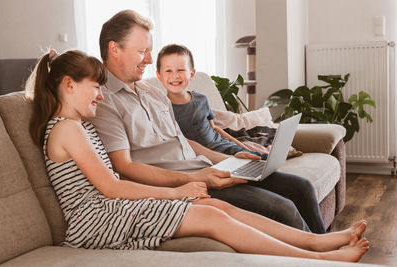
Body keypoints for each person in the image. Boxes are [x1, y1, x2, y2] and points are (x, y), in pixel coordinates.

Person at [27, 49, 369, 262]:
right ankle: (320, 257)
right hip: (95, 221)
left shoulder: (78, 126)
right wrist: (176, 192)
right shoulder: (66, 129)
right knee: (213, 217)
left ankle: (317, 241)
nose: (100, 95)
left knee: (215, 205)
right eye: (95, 87)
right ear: (69, 85)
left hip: (109, 211)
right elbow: (112, 187)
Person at [87, 9, 325, 234]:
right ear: (114, 48)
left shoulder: (153, 92)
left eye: (150, 50)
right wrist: (196, 178)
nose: (149, 59)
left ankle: (330, 248)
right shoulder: (103, 100)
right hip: (185, 185)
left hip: (207, 171)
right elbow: (125, 167)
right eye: (142, 51)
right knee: (282, 209)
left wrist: (231, 159)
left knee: (301, 187)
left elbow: (184, 141)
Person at [156, 44, 267, 160]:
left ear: (191, 74)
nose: (175, 75)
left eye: (181, 70)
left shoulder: (201, 99)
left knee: (263, 161)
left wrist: (244, 147)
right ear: (159, 76)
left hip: (227, 148)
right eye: (168, 71)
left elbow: (215, 128)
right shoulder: (162, 108)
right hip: (209, 158)